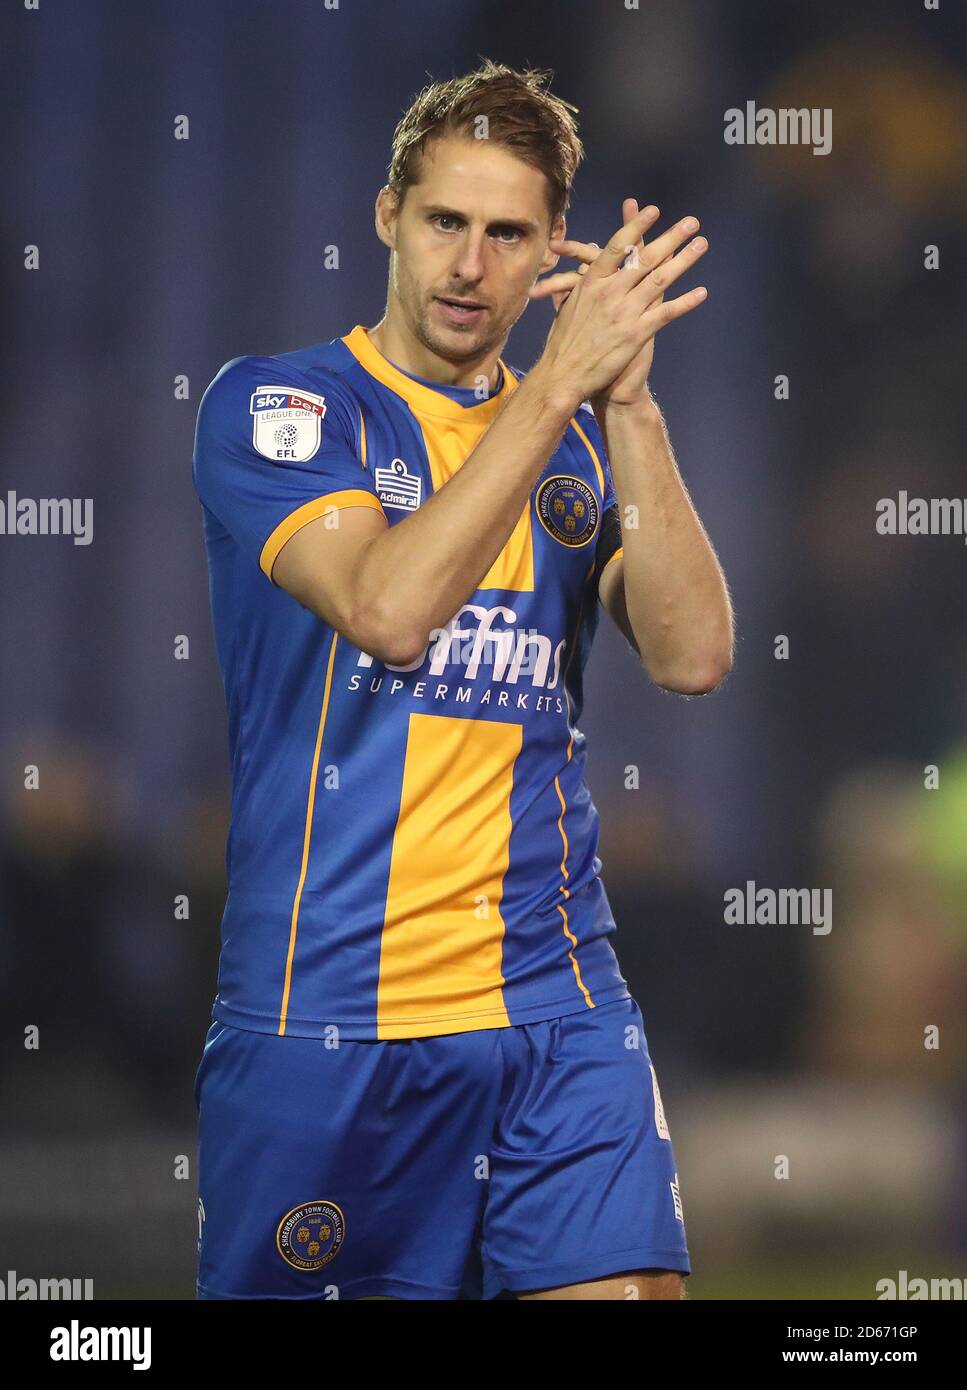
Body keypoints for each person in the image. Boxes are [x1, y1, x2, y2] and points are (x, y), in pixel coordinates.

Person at [191, 59, 733, 1301]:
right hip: (330, 1015)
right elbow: (387, 609)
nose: (469, 266)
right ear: (387, 215)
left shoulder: (580, 439)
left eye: (507, 235)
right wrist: (554, 389)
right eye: (444, 222)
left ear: (553, 256)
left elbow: (694, 655)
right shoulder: (279, 407)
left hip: (559, 998)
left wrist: (631, 406)